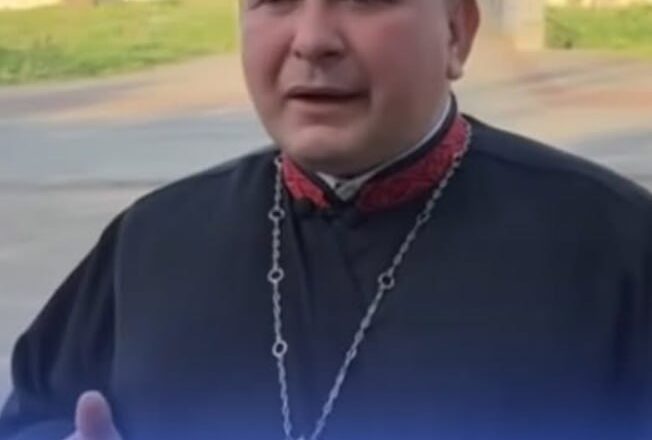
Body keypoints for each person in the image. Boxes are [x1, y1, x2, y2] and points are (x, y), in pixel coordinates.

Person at [1, 0, 651, 439]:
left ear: (457, 31)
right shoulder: (151, 241)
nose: (312, 40)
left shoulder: (614, 247)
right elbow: (34, 415)